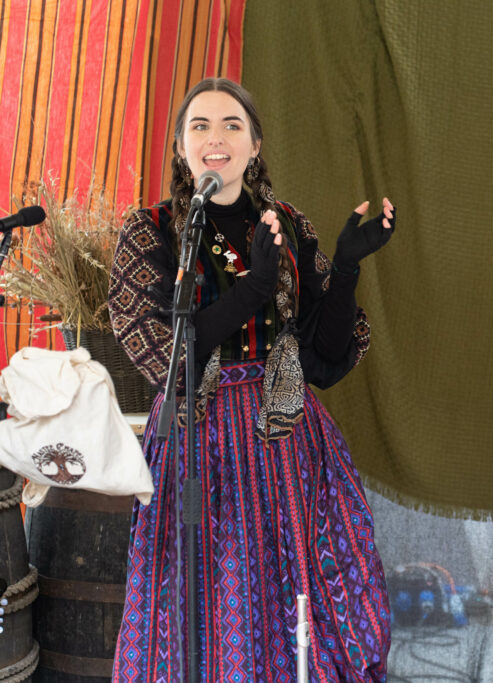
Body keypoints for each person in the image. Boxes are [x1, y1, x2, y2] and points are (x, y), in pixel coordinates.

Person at [107, 77, 393, 682]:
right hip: (196, 445)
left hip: (286, 441)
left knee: (312, 596)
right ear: (181, 147)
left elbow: (323, 357)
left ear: (256, 143)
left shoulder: (285, 225)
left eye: (232, 125)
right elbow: (167, 359)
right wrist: (253, 291)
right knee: (203, 600)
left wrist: (343, 269)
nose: (217, 138)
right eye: (201, 126)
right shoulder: (152, 231)